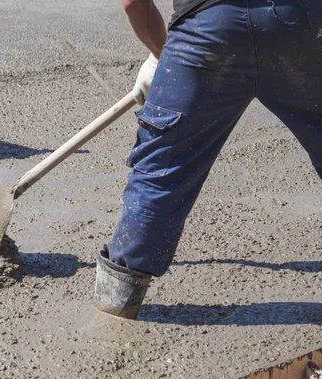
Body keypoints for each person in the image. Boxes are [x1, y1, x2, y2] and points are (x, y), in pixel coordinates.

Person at [94, 0, 322, 319]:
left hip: (208, 31)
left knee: (162, 172)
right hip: (297, 23)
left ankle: (116, 303)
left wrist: (161, 55)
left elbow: (134, 3)